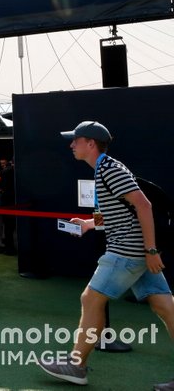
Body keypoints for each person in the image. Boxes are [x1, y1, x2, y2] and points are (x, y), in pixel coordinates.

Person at [39, 121, 174, 389]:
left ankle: (76, 366)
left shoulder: (109, 169)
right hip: (135, 249)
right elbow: (118, 212)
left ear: (90, 144)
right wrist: (89, 224)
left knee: (90, 298)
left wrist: (150, 251)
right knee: (166, 307)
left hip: (128, 250)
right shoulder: (104, 169)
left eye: (75, 140)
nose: (71, 145)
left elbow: (143, 205)